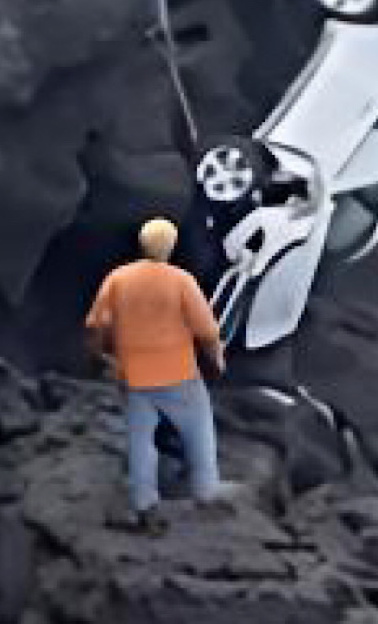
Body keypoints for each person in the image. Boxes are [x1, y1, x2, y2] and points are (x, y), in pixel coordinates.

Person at [84, 217, 230, 533]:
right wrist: (216, 359)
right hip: (178, 373)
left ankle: (144, 504)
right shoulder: (180, 281)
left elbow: (97, 324)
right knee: (199, 430)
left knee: (140, 440)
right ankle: (205, 493)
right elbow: (206, 330)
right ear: (171, 246)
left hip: (134, 375)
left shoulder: (118, 279)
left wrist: (99, 355)